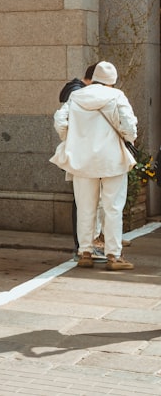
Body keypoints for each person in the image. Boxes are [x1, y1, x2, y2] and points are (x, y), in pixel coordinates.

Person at [50, 61, 137, 271]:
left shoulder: (77, 96)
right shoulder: (117, 96)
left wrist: (71, 139)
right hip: (112, 160)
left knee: (85, 208)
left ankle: (85, 253)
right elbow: (129, 124)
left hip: (83, 160)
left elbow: (60, 120)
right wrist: (129, 139)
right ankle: (113, 256)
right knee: (113, 208)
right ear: (112, 81)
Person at [58, 63, 97, 259]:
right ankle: (82, 245)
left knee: (82, 201)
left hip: (80, 153)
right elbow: (62, 121)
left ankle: (84, 244)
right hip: (82, 155)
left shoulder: (74, 90)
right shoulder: (78, 93)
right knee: (83, 202)